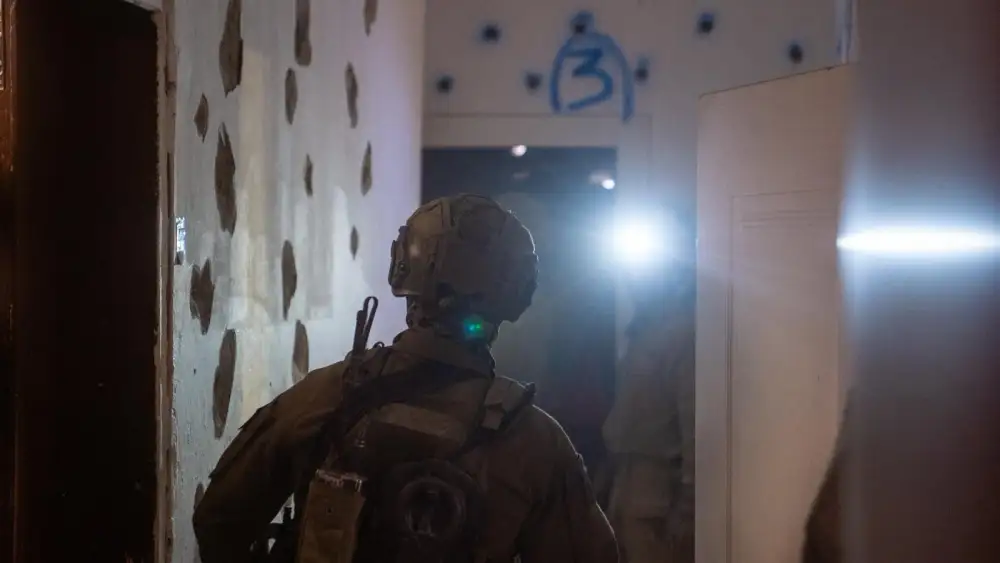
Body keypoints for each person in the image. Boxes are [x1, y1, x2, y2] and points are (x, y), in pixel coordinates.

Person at [193, 194, 619, 563]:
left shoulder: (325, 395)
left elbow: (218, 520)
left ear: (404, 267)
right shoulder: (535, 439)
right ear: (516, 292)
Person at [601, 219, 695, 563]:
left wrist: (687, 510)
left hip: (659, 497)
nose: (633, 280)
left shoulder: (684, 332)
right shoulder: (644, 330)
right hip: (627, 486)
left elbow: (696, 428)